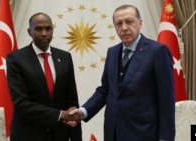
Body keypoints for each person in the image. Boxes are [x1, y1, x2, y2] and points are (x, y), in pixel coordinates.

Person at [69, 4, 175, 141]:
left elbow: (166, 99)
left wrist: (165, 138)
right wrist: (83, 111)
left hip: (144, 133)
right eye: (119, 24)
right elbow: (105, 90)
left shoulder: (157, 52)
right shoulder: (112, 52)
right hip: (113, 133)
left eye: (129, 22)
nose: (124, 28)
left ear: (140, 23)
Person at [6, 12, 82, 141]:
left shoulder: (65, 57)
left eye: (48, 28)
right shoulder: (16, 59)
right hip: (29, 135)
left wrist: (76, 137)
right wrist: (60, 115)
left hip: (59, 135)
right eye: (39, 29)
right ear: (30, 32)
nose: (44, 33)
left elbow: (72, 101)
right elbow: (22, 103)